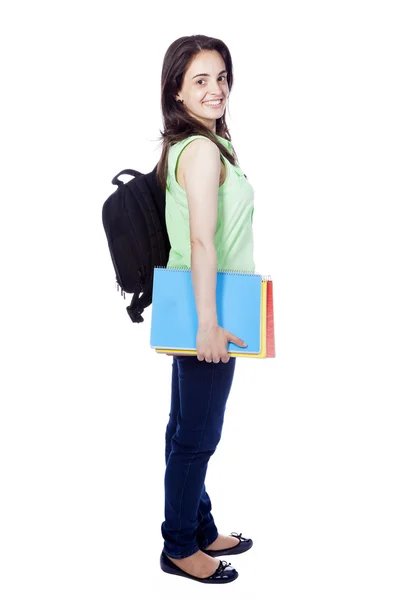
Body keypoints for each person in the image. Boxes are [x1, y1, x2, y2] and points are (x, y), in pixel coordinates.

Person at [156, 34, 255, 584]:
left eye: (221, 77)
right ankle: (179, 549)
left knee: (184, 431)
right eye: (201, 79)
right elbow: (200, 241)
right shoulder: (198, 151)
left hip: (207, 306)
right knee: (196, 438)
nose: (216, 89)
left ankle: (200, 525)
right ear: (177, 89)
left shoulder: (204, 145)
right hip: (207, 312)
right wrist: (209, 324)